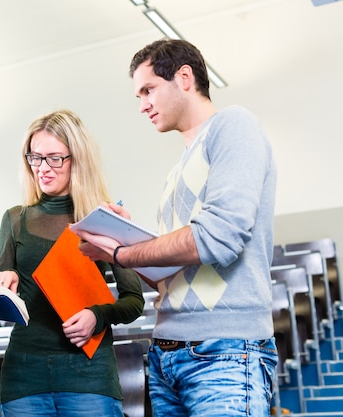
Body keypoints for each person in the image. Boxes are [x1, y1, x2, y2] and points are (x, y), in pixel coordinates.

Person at [74, 38, 278, 417]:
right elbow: (170, 276)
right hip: (168, 352)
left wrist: (121, 253)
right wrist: (119, 236)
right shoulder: (175, 174)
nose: (142, 105)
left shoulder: (234, 125)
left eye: (148, 90)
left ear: (184, 78)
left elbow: (218, 238)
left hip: (224, 351)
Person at [0, 109, 145, 417]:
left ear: (77, 160)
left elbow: (134, 301)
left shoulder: (104, 219)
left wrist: (97, 316)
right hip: (24, 379)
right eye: (35, 158)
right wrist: (3, 278)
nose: (42, 168)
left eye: (54, 158)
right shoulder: (14, 219)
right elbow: (0, 302)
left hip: (89, 377)